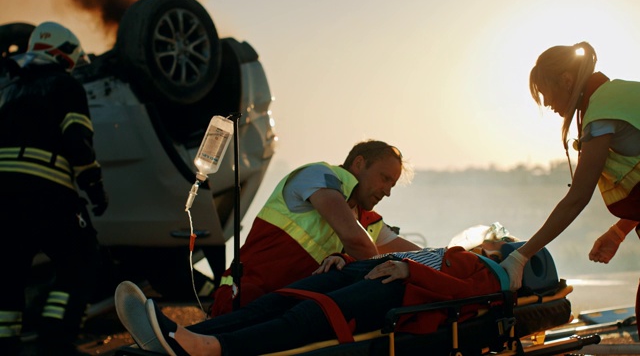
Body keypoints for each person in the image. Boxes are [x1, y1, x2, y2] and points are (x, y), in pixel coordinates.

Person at [116, 229, 514, 356]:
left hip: (399, 291)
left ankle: (203, 349)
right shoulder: (450, 251)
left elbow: (467, 295)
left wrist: (407, 267)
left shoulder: (489, 269)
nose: (486, 240)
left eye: (494, 240)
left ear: (502, 249)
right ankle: (187, 336)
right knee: (280, 299)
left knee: (305, 317)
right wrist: (343, 258)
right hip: (368, 271)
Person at [500, 41, 640, 326]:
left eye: (544, 93)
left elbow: (578, 196)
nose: (547, 103)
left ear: (566, 80)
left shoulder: (601, 111)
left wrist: (522, 256)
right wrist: (618, 232)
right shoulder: (621, 92)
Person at [210, 139, 421, 316]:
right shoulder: (318, 175)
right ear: (358, 164)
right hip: (241, 298)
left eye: (392, 185)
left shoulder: (369, 221)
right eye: (384, 179)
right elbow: (355, 240)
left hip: (284, 313)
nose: (387, 192)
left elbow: (418, 257)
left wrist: (448, 261)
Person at [0, 22, 108, 355]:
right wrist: (95, 187)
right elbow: (78, 143)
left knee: (8, 273)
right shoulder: (65, 86)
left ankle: (5, 344)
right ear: (62, 54)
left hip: (4, 200)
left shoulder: (10, 92)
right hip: (47, 195)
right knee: (81, 259)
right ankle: (56, 339)